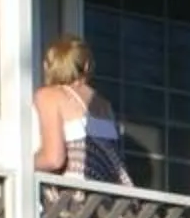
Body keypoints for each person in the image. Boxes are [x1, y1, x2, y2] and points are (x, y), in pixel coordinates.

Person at [32, 34, 132, 184]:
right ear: (86, 65)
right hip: (109, 200)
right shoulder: (104, 104)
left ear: (47, 65)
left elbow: (53, 159)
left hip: (73, 197)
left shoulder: (50, 95)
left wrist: (19, 164)